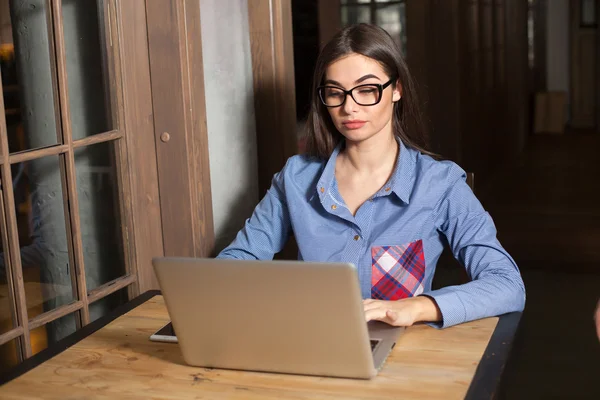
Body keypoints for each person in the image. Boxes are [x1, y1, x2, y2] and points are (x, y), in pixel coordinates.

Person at [217, 23, 525, 328]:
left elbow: (507, 284)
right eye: (335, 93)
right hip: (309, 337)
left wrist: (418, 307)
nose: (349, 107)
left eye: (367, 90)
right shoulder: (296, 178)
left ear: (397, 90)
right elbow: (239, 260)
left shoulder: (439, 185)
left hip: (398, 357)